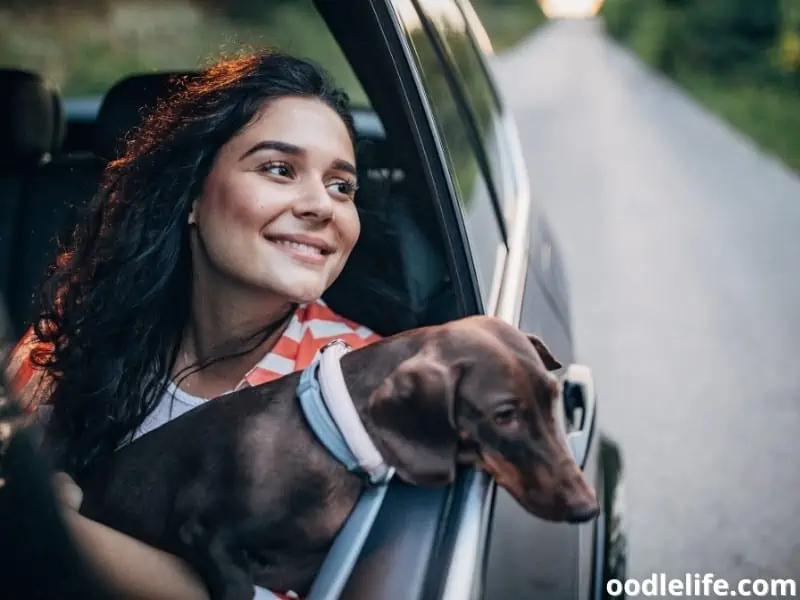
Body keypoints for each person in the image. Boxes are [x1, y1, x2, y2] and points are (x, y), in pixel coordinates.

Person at [4, 50, 383, 600]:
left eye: (341, 186)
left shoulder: (359, 384)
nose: (321, 206)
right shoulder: (77, 329)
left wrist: (61, 529)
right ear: (192, 196)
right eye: (279, 169)